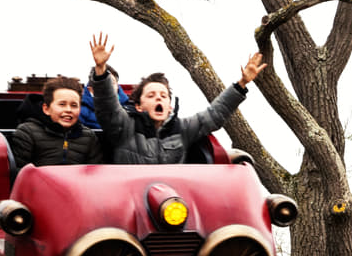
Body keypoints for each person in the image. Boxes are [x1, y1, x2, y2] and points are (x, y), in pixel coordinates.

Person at [88, 32, 266, 164]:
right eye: (151, 95)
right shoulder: (125, 127)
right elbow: (107, 107)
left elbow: (214, 114)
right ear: (139, 106)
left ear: (169, 106)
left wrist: (241, 83)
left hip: (173, 204)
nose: (158, 99)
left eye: (163, 96)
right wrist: (101, 70)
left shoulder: (182, 129)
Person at [11, 76, 104, 168]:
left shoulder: (88, 137)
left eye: (74, 105)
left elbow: (95, 173)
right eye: (62, 104)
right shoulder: (27, 133)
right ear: (46, 109)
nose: (68, 110)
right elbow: (19, 173)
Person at [80, 64, 131, 129]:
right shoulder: (81, 110)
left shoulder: (128, 108)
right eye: (101, 84)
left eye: (111, 83)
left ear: (117, 86)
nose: (107, 87)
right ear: (91, 89)